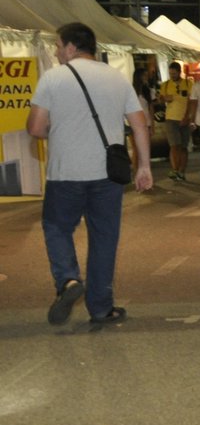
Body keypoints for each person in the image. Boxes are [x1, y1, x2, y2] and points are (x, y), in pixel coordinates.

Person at [26, 22, 155, 327]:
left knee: (57, 228)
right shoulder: (118, 78)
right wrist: (144, 167)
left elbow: (35, 128)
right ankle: (101, 308)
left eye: (58, 46)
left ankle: (69, 281)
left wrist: (56, 129)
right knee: (104, 238)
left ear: (71, 46)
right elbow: (140, 124)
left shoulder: (53, 79)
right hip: (107, 174)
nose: (57, 53)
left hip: (65, 173)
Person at [157, 59, 193, 181]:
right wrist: (163, 99)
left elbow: (191, 102)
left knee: (183, 146)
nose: (172, 76)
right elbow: (160, 100)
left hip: (184, 119)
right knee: (174, 145)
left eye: (174, 73)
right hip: (171, 118)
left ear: (179, 72)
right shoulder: (165, 85)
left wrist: (188, 117)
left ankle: (182, 171)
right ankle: (175, 169)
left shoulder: (188, 84)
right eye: (170, 73)